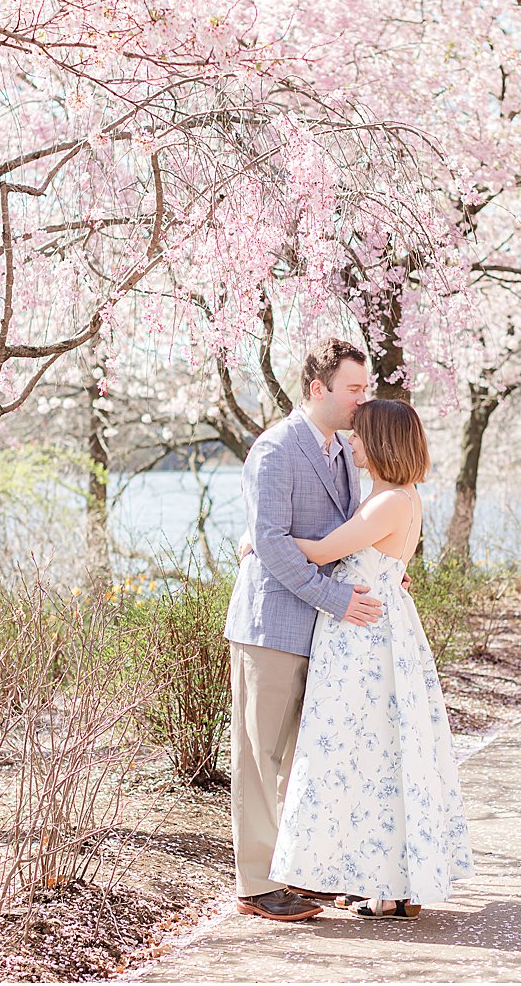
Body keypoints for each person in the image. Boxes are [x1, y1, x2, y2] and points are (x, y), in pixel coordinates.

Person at [268, 398, 473, 920]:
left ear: (379, 442)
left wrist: (260, 539)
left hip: (366, 641)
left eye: (359, 436)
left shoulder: (391, 502)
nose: (350, 442)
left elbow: (323, 551)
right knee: (380, 755)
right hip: (373, 633)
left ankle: (388, 885)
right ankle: (389, 883)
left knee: (372, 752)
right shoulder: (391, 498)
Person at [222, 337, 378, 923]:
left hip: (322, 627)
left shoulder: (343, 451)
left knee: (306, 756)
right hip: (272, 624)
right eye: (354, 389)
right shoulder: (275, 450)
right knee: (260, 755)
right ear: (319, 389)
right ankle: (257, 885)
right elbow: (272, 545)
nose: (363, 399)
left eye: (366, 388)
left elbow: (343, 535)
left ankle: (302, 870)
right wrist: (335, 599)